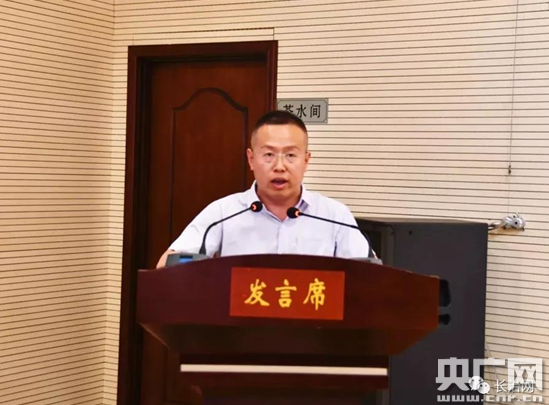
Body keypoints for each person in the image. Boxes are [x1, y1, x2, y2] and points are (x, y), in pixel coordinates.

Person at [156, 111, 369, 268]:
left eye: (290, 155)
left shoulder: (334, 216)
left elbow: (370, 275)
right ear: (251, 159)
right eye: (268, 155)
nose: (279, 166)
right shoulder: (222, 213)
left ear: (306, 161)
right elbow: (167, 265)